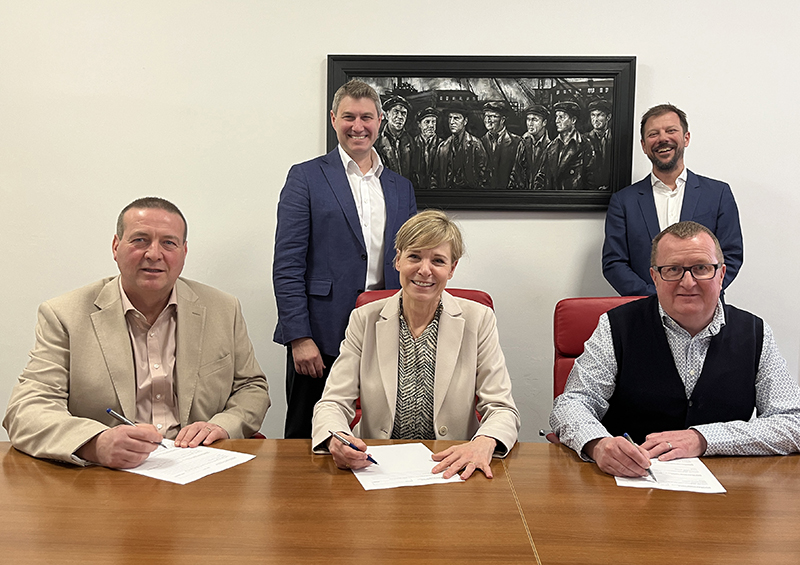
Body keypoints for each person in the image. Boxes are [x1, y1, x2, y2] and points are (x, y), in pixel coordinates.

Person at [3, 197, 270, 469]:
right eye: (140, 240)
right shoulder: (64, 315)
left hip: (200, 467)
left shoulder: (223, 309)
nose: (154, 254)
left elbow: (252, 388)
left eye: (169, 243)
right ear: (116, 247)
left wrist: (223, 425)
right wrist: (94, 443)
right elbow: (26, 409)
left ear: (184, 252)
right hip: (107, 477)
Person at [550, 221, 800, 478]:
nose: (688, 282)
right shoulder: (616, 326)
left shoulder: (755, 333)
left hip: (726, 491)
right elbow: (572, 402)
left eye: (701, 268)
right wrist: (597, 444)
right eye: (673, 270)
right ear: (655, 277)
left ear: (722, 274)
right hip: (630, 485)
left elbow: (794, 421)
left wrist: (703, 439)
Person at [311, 210, 520, 480]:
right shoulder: (364, 318)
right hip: (376, 468)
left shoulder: (478, 319)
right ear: (397, 260)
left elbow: (502, 407)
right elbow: (333, 402)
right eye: (414, 256)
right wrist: (336, 439)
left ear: (452, 269)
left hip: (451, 468)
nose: (424, 270)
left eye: (438, 260)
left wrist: (485, 441)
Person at [273, 79, 417, 439]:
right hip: (320, 336)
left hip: (386, 331)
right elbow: (288, 264)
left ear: (379, 121)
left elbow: (412, 261)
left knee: (378, 434)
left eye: (366, 117)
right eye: (349, 117)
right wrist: (299, 337)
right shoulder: (305, 177)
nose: (358, 126)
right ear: (334, 119)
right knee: (310, 437)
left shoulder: (401, 187)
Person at [602, 103, 743, 296]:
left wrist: (698, 291)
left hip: (705, 313)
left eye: (671, 130)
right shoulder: (623, 201)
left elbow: (731, 255)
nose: (662, 139)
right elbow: (614, 263)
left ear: (686, 138)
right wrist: (656, 299)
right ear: (644, 146)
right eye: (653, 134)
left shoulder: (718, 194)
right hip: (644, 311)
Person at [534, 100, 597, 190]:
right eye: (556, 117)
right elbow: (541, 177)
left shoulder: (585, 146)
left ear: (573, 120)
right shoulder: (551, 146)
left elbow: (591, 181)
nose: (557, 121)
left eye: (561, 117)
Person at [430, 106, 488, 189]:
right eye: (450, 118)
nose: (452, 122)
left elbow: (484, 176)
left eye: (456, 118)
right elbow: (435, 176)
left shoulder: (476, 145)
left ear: (465, 121)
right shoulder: (443, 147)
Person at [480, 101, 521, 189]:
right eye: (486, 116)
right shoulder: (479, 142)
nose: (488, 120)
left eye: (493, 116)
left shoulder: (517, 142)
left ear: (502, 120)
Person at [509, 105, 550, 190]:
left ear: (544, 122)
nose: (530, 124)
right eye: (528, 119)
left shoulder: (551, 146)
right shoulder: (523, 144)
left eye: (534, 120)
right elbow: (516, 173)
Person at [374, 95, 414, 179]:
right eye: (396, 111)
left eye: (403, 113)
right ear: (387, 114)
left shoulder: (411, 141)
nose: (400, 117)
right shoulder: (376, 142)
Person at [410, 106, 441, 189]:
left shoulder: (442, 145)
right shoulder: (412, 144)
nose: (431, 125)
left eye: (433, 122)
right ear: (419, 125)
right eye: (427, 122)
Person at [586, 99, 613, 190]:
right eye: (593, 115)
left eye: (599, 115)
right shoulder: (584, 140)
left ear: (608, 117)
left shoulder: (616, 139)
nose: (595, 119)